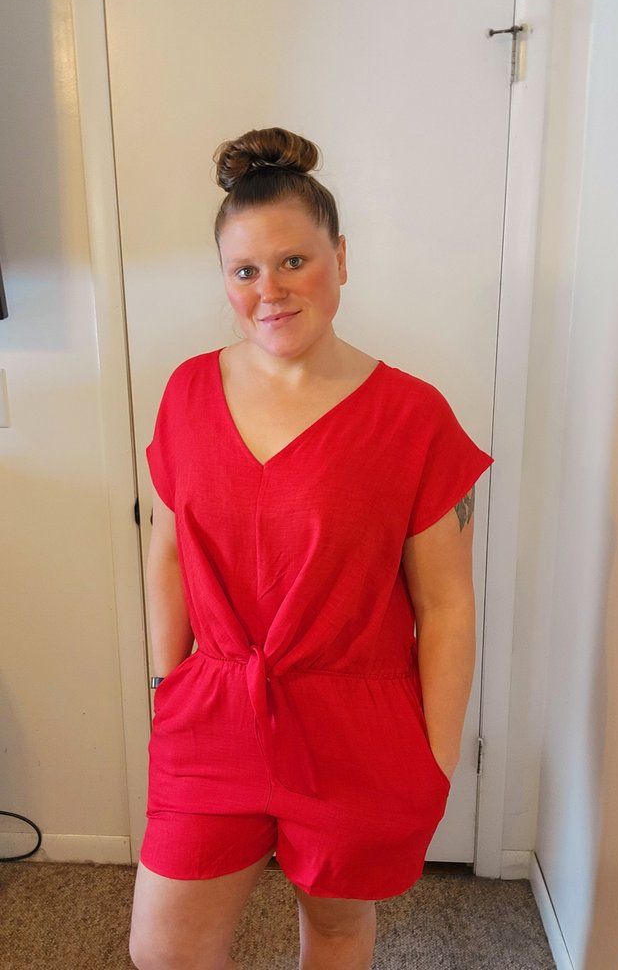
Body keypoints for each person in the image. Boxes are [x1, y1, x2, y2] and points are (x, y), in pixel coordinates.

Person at [129, 126, 494, 970]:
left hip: (356, 728)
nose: (270, 291)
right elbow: (168, 553)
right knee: (164, 951)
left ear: (340, 258)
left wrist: (435, 761)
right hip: (212, 713)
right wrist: (166, 687)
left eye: (293, 261)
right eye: (244, 271)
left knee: (333, 930)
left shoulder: (412, 417)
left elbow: (446, 605)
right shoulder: (186, 391)